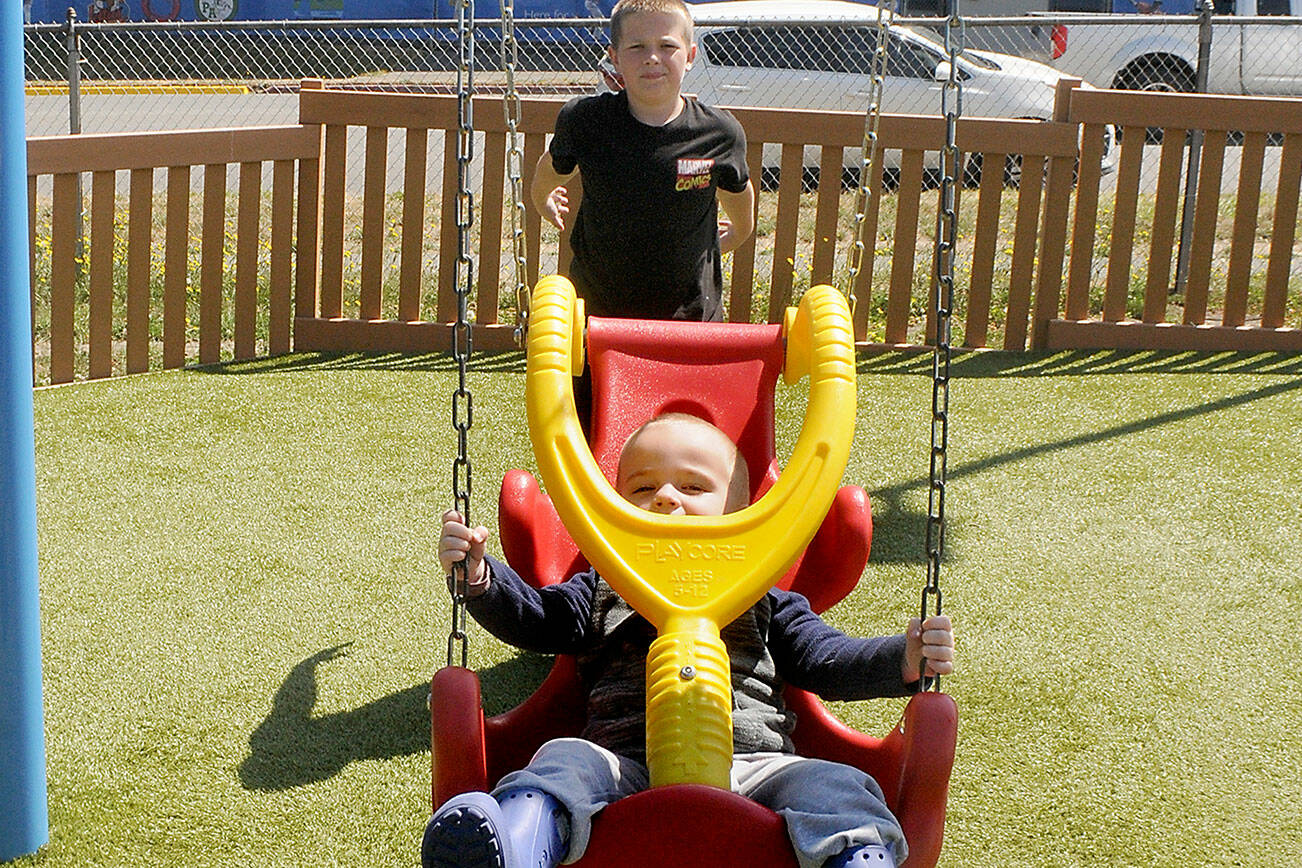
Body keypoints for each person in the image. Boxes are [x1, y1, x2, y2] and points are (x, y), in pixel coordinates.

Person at [423, 413, 956, 868]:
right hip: (621, 763)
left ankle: (860, 858)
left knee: (837, 786)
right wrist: (479, 579)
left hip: (756, 767)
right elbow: (537, 619)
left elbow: (827, 660)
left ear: (743, 516)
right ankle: (513, 846)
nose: (665, 499)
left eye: (694, 487)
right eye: (641, 488)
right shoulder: (604, 588)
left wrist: (903, 658)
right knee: (561, 762)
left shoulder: (766, 600)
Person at [531, 0, 756, 323]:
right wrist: (543, 200)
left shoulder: (719, 133)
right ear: (616, 58)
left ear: (690, 56)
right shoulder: (585, 121)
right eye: (637, 47)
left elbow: (740, 196)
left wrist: (739, 233)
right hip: (599, 317)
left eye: (667, 46)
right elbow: (550, 170)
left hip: (691, 318)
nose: (652, 58)